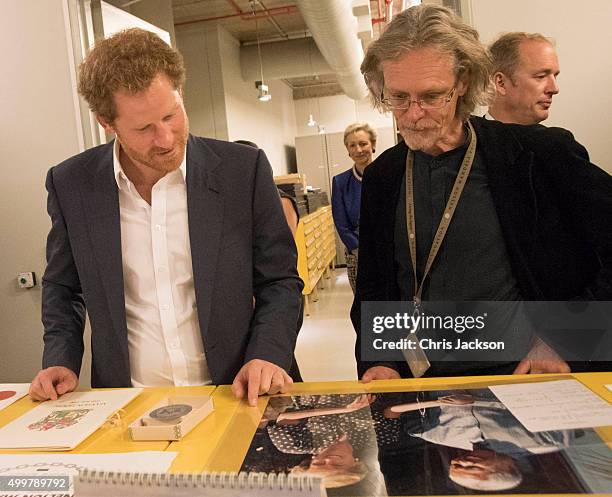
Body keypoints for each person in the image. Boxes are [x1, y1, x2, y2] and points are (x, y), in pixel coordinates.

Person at [29, 28, 303, 406]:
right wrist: (60, 358)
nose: (166, 139)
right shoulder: (71, 183)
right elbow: (63, 287)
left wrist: (268, 353)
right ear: (106, 123)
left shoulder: (243, 170)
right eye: (143, 128)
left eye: (171, 115)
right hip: (129, 406)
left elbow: (280, 281)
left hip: (238, 393)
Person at [351, 5, 612, 381]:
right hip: (422, 387)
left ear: (462, 83)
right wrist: (381, 360)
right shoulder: (384, 174)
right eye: (398, 97)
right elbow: (375, 283)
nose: (412, 113)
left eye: (431, 95)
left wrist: (564, 339)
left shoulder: (539, 155)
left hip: (521, 380)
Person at [331, 123, 377, 293]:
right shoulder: (340, 182)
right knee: (364, 305)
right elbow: (341, 223)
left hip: (389, 249)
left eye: (363, 143)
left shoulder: (389, 174)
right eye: (352, 145)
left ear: (373, 145)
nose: (358, 150)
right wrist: (360, 251)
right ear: (348, 150)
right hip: (357, 254)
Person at [487, 32, 560, 124]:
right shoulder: (469, 137)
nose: (554, 89)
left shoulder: (559, 138)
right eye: (541, 76)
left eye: (555, 76)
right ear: (501, 83)